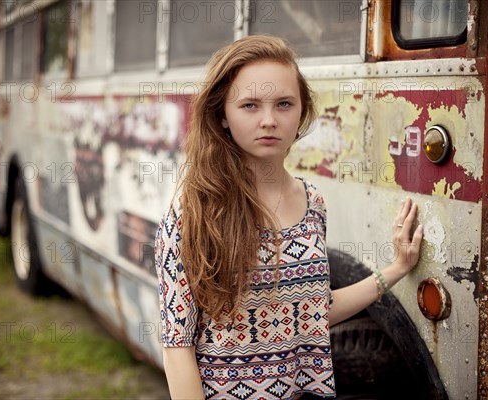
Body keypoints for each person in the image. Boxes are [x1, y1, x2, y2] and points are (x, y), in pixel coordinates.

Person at [154, 35, 424, 400]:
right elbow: (177, 346)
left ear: (301, 114)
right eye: (250, 105)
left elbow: (314, 313)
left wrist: (396, 268)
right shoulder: (193, 212)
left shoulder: (312, 202)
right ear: (222, 116)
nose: (269, 120)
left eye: (284, 104)